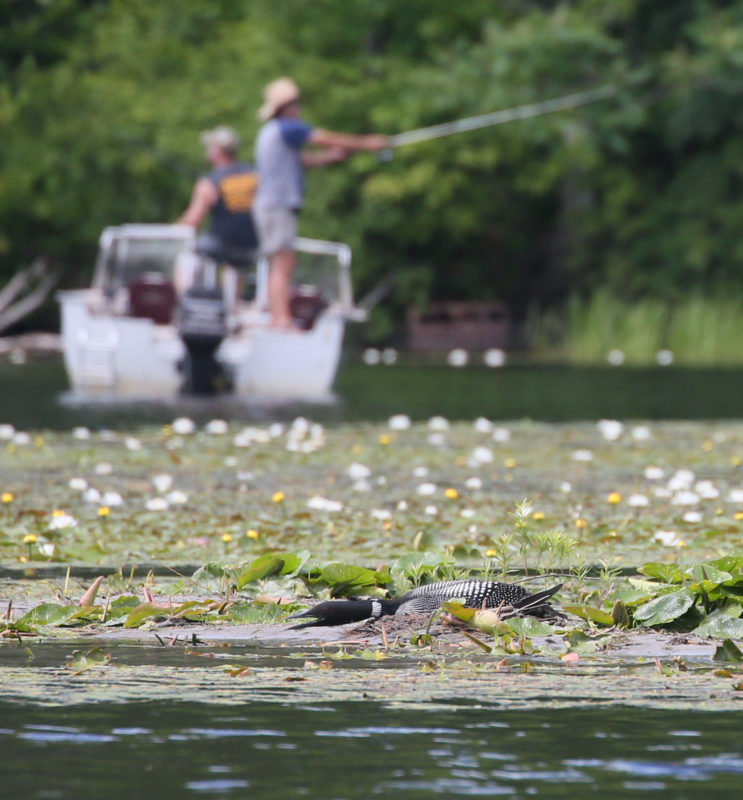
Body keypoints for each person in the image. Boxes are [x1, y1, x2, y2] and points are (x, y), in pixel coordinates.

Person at [254, 77, 387, 329]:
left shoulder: (272, 133)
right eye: (296, 103)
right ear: (287, 106)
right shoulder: (288, 128)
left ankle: (277, 318)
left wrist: (333, 158)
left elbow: (303, 162)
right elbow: (324, 137)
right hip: (277, 206)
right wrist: (367, 144)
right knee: (283, 264)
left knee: (279, 263)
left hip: (270, 207)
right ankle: (280, 321)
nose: (299, 108)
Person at [178, 126, 258, 305]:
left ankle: (185, 300)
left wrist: (172, 230)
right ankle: (232, 304)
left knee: (188, 254)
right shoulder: (255, 175)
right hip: (253, 245)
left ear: (217, 151)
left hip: (221, 244)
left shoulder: (209, 182)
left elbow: (192, 222)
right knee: (237, 264)